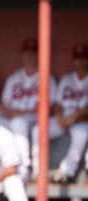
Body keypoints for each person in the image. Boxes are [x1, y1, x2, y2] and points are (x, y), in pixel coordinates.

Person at [0, 38, 57, 181]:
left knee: (19, 122)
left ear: (39, 55)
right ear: (22, 55)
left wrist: (20, 113)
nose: (29, 56)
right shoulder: (14, 78)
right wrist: (7, 111)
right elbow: (3, 104)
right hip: (14, 118)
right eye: (27, 53)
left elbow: (52, 108)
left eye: (33, 53)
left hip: (35, 118)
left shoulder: (47, 78)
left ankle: (24, 166)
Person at [31, 43, 88, 183]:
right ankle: (37, 171)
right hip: (64, 119)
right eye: (77, 58)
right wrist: (59, 117)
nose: (80, 62)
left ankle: (66, 171)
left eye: (83, 58)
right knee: (37, 130)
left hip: (81, 121)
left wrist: (75, 116)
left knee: (82, 134)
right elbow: (57, 104)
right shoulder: (67, 79)